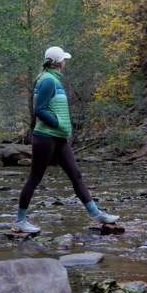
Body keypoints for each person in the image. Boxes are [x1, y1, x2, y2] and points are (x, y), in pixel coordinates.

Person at [15, 46, 119, 234]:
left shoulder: (53, 79)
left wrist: (59, 128)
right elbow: (39, 110)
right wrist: (56, 124)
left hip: (58, 137)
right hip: (46, 137)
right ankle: (20, 221)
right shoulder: (48, 81)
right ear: (59, 62)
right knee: (35, 178)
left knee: (76, 174)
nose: (66, 62)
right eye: (64, 60)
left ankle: (95, 214)